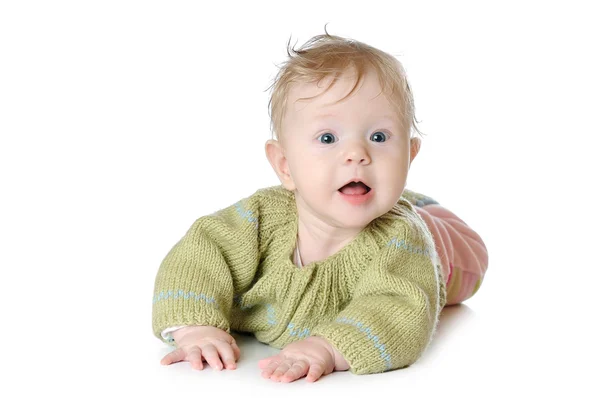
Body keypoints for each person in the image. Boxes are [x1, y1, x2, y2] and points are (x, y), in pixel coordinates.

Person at [152, 32, 488, 383]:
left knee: (468, 263)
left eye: (379, 137)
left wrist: (330, 346)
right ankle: (407, 195)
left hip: (446, 250)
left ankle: (418, 205)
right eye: (328, 138)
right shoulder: (259, 219)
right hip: (374, 198)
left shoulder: (402, 238)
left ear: (409, 156)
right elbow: (200, 254)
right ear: (284, 165)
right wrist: (195, 327)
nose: (357, 153)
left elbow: (400, 311)